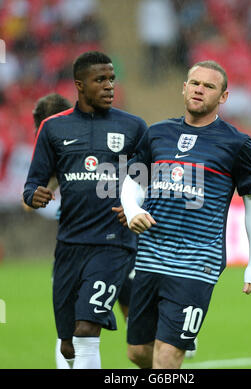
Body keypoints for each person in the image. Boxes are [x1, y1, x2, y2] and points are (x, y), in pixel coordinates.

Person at [121, 60, 251, 369]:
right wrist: (132, 209)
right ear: (184, 87)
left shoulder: (237, 144)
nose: (200, 89)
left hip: (197, 263)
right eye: (195, 83)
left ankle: (179, 341)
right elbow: (133, 181)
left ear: (223, 97)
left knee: (167, 357)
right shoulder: (157, 133)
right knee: (137, 352)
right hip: (149, 256)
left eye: (209, 86)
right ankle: (182, 340)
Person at [23, 51, 148, 369]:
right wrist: (33, 194)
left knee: (86, 329)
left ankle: (164, 334)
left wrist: (134, 205)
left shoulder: (133, 127)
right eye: (100, 80)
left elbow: (147, 180)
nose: (109, 86)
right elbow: (33, 183)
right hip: (69, 246)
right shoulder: (53, 129)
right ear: (80, 85)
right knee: (68, 345)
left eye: (111, 79)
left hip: (113, 244)